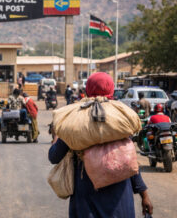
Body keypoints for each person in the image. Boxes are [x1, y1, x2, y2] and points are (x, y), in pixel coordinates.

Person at [48, 72, 153, 218]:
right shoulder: (119, 117)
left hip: (86, 200)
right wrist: (144, 195)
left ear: (87, 90)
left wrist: (58, 134)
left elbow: (54, 156)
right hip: (120, 199)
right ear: (111, 90)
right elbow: (130, 160)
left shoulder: (75, 120)